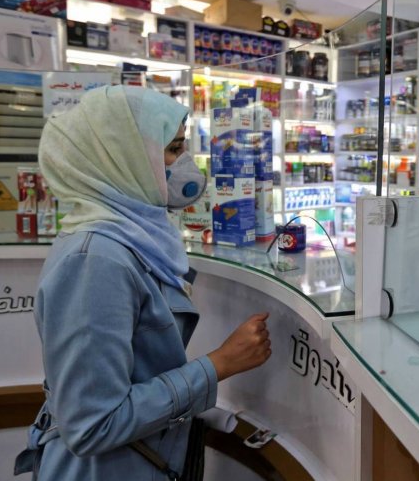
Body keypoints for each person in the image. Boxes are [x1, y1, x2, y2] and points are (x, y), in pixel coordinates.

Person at [15, 85, 272, 480]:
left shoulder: (133, 239)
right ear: (123, 157)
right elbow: (92, 424)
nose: (185, 164)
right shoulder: (95, 260)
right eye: (173, 149)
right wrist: (218, 364)